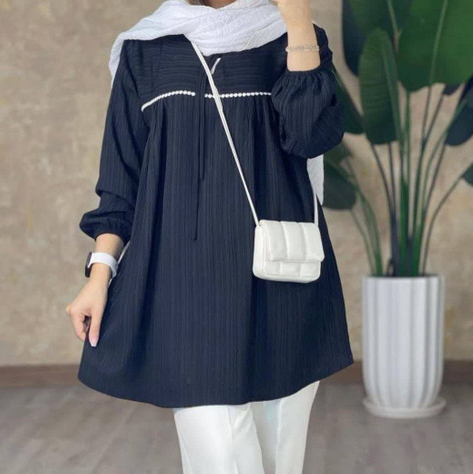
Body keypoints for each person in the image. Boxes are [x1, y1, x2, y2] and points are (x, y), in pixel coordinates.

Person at [66, 0, 354, 472]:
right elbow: (120, 183)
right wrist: (99, 275)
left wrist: (298, 21)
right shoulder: (146, 49)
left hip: (280, 280)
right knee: (223, 458)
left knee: (280, 458)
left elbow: (310, 136)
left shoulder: (293, 35)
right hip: (184, 288)